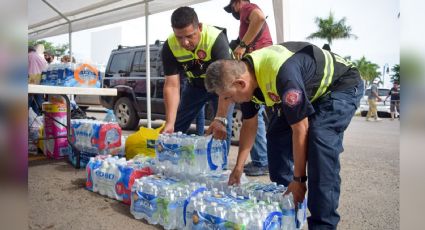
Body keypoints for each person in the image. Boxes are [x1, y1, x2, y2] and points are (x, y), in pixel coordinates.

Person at [205, 42, 364, 229]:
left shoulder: (283, 75)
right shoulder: (247, 77)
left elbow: (300, 128)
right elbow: (250, 123)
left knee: (320, 141)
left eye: (228, 97)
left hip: (339, 86)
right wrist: (238, 168)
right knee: (276, 138)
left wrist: (299, 179)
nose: (229, 102)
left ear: (240, 83)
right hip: (309, 90)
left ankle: (323, 224)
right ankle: (289, 207)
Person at [161, 6, 234, 153]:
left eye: (189, 36)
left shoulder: (216, 39)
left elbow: (226, 83)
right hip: (195, 86)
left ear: (199, 27)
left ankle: (219, 168)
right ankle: (172, 160)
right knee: (175, 125)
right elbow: (172, 86)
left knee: (221, 127)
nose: (185, 42)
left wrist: (220, 118)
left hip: (220, 86)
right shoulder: (169, 46)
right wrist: (169, 122)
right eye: (179, 37)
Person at [223, 0, 271, 176]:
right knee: (252, 115)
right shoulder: (245, 14)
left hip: (259, 66)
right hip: (259, 67)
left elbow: (259, 18)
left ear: (237, 2)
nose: (234, 12)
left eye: (233, 7)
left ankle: (261, 160)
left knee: (253, 115)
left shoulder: (246, 9)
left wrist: (242, 46)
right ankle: (262, 159)